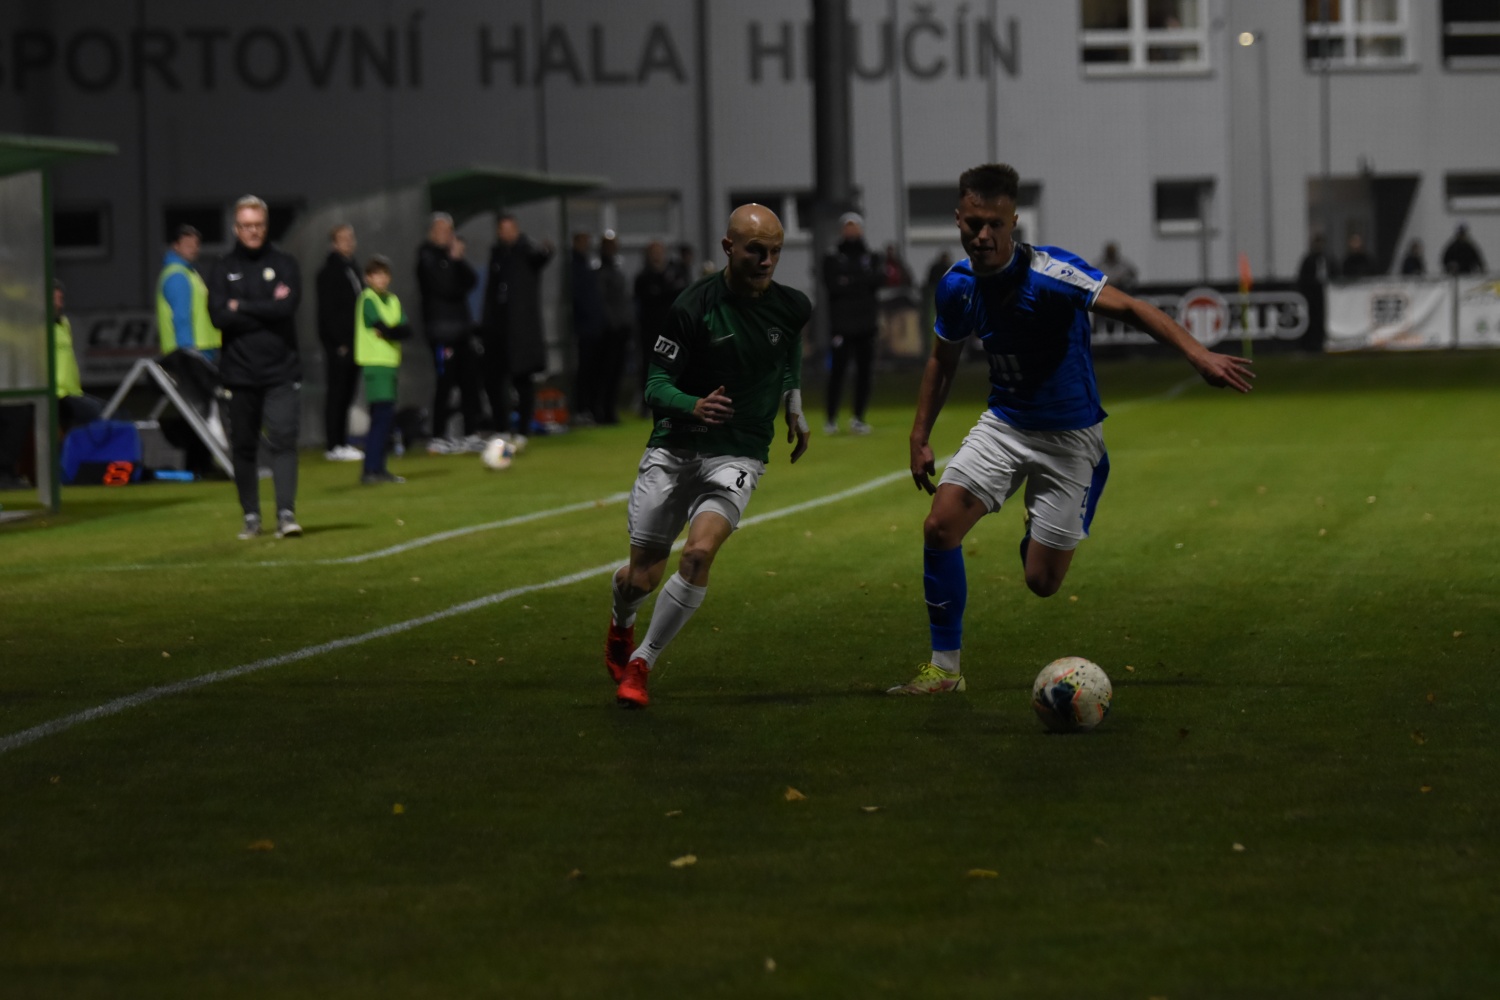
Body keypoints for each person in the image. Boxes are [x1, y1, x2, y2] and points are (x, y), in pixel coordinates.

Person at [889, 163, 1254, 696]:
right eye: (972, 224)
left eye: (994, 223)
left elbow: (1130, 307)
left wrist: (1198, 356)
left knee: (1041, 582)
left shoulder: (1052, 274)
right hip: (1005, 425)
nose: (983, 235)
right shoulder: (956, 286)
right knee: (939, 527)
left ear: (1014, 220)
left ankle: (1061, 510)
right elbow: (943, 361)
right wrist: (920, 436)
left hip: (1069, 437)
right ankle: (945, 670)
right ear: (958, 219)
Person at [604, 204, 812, 709]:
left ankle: (642, 664)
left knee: (698, 555)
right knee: (641, 578)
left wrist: (794, 405)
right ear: (728, 248)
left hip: (738, 452)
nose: (766, 261)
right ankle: (621, 620)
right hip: (675, 445)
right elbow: (654, 384)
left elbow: (786, 355)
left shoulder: (793, 306)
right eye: (755, 251)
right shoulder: (691, 307)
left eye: (775, 252)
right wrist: (693, 404)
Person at [207, 195, 304, 540]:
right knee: (244, 447)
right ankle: (251, 516)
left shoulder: (285, 263)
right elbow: (218, 316)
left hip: (280, 370)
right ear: (236, 228)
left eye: (258, 225)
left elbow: (287, 309)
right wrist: (264, 308)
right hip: (239, 372)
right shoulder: (222, 268)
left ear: (266, 226)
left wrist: (241, 307)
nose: (253, 231)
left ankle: (286, 514)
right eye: (246, 226)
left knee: (283, 440)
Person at [480, 214, 553, 440]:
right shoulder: (497, 254)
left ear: (517, 229)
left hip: (521, 331)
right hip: (498, 329)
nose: (507, 233)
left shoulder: (526, 251)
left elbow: (541, 257)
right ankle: (502, 428)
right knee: (495, 380)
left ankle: (523, 429)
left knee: (523, 380)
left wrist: (547, 250)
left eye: (511, 228)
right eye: (503, 229)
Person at [415, 213, 482, 453]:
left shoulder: (451, 258)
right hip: (441, 333)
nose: (446, 235)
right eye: (441, 231)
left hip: (462, 331)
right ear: (432, 233)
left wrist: (458, 260)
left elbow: (471, 280)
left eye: (449, 231)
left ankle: (470, 434)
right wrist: (453, 262)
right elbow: (444, 287)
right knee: (445, 383)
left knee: (469, 383)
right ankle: (438, 435)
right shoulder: (426, 255)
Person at [155, 223, 225, 444]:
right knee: (206, 407)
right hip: (193, 352)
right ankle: (216, 447)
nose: (193, 249)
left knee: (206, 406)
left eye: (196, 244)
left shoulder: (187, 272)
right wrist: (188, 352)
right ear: (175, 246)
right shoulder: (178, 276)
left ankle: (210, 450)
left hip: (201, 349)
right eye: (188, 244)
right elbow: (182, 317)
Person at [821, 211, 882, 435]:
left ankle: (858, 417)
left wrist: (850, 281)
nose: (851, 231)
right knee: (837, 372)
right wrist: (859, 282)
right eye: (847, 226)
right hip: (842, 325)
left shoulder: (871, 256)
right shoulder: (833, 258)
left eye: (854, 226)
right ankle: (830, 418)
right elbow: (833, 285)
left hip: (866, 324)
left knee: (865, 373)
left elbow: (877, 280)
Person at [354, 255, 412, 485]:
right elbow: (385, 328)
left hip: (389, 364)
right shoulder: (368, 299)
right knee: (381, 416)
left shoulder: (393, 300)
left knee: (385, 417)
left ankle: (378, 468)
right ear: (368, 278)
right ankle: (371, 469)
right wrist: (391, 330)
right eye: (376, 275)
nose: (381, 279)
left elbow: (406, 330)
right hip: (375, 363)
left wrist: (391, 331)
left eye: (384, 275)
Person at [315, 223, 364, 462]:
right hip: (340, 344)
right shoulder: (329, 272)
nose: (349, 242)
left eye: (350, 237)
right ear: (334, 243)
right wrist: (339, 342)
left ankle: (342, 442)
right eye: (343, 239)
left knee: (348, 394)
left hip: (357, 342)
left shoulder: (352, 268)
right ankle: (333, 444)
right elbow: (328, 313)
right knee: (337, 393)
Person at [633, 240, 689, 416]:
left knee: (674, 364)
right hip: (650, 329)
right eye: (654, 252)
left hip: (671, 328)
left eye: (659, 252)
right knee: (650, 366)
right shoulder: (643, 277)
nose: (657, 256)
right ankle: (647, 403)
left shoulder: (673, 273)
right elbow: (648, 298)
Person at [594, 231, 634, 425]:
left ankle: (610, 410)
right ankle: (603, 411)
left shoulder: (617, 269)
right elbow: (603, 301)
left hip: (621, 328)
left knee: (616, 372)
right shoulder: (602, 271)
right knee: (606, 372)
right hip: (610, 331)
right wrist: (613, 323)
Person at [53, 280, 102, 432]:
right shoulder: (37, 327)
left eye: (61, 300)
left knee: (111, 412)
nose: (60, 305)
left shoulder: (63, 323)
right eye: (56, 300)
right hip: (56, 395)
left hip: (72, 393)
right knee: (99, 413)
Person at [569, 230, 605, 426]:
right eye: (583, 241)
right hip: (584, 327)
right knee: (584, 370)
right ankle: (581, 408)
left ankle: (590, 408)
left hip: (593, 325)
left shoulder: (588, 263)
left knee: (593, 370)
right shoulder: (575, 265)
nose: (587, 244)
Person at [1296, 233, 1333, 351]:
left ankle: (1322, 342)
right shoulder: (1308, 260)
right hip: (1312, 295)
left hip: (1326, 295)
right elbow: (1303, 277)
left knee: (1323, 319)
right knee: (1312, 320)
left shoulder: (1328, 259)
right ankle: (1310, 345)